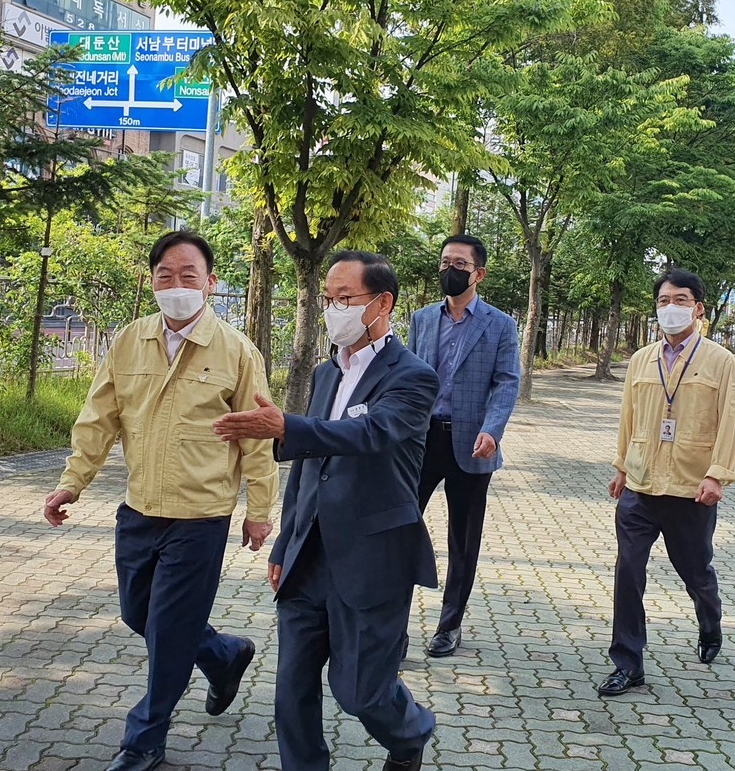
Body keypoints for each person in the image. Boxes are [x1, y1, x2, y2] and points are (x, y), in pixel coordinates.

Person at [42, 230, 278, 771]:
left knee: (168, 633)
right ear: (151, 282)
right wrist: (71, 481)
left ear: (211, 283)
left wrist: (259, 510)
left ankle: (144, 739)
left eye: (188, 275)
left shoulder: (238, 352)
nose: (176, 285)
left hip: (202, 515)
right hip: (139, 508)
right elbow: (98, 418)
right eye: (165, 276)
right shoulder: (129, 341)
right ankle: (223, 654)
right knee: (138, 613)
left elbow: (258, 437)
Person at [213, 250, 438, 771]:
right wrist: (286, 540)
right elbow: (310, 467)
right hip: (309, 555)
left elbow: (370, 433)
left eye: (346, 299)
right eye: (328, 299)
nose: (334, 309)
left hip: (372, 555)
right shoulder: (324, 373)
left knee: (360, 692)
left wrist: (287, 428)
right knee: (290, 690)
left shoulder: (413, 377)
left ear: (382, 303)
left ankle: (409, 735)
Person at [599, 268, 735, 697]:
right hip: (641, 486)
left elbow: (730, 422)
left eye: (680, 300)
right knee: (628, 573)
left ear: (698, 309)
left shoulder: (720, 361)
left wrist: (718, 474)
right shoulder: (642, 360)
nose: (670, 308)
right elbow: (628, 418)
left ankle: (710, 620)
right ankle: (628, 663)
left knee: (695, 572)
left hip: (691, 489)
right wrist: (622, 467)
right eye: (663, 301)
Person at [406, 234, 520, 658]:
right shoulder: (421, 319)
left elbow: (507, 382)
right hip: (421, 440)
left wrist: (492, 430)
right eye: (444, 262)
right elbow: (410, 377)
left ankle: (449, 625)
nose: (449, 270)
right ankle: (392, 623)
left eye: (459, 264)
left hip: (473, 444)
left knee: (463, 539)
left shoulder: (500, 324)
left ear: (478, 274)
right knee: (399, 527)